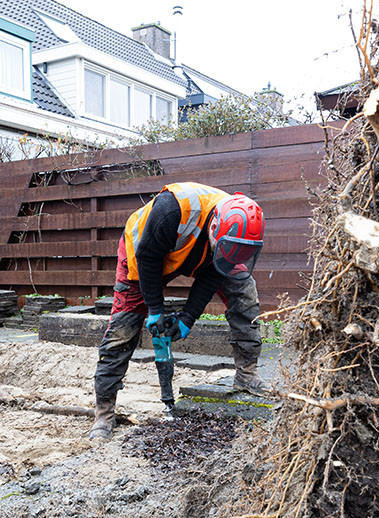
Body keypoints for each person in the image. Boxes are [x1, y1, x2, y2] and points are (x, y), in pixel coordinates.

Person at [89, 181, 268, 440]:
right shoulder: (171, 210)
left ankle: (247, 374)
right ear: (215, 228)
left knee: (244, 293)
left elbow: (212, 276)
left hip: (202, 249)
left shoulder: (236, 225)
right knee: (122, 328)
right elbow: (148, 257)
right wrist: (155, 309)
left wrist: (188, 318)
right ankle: (104, 412)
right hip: (143, 253)